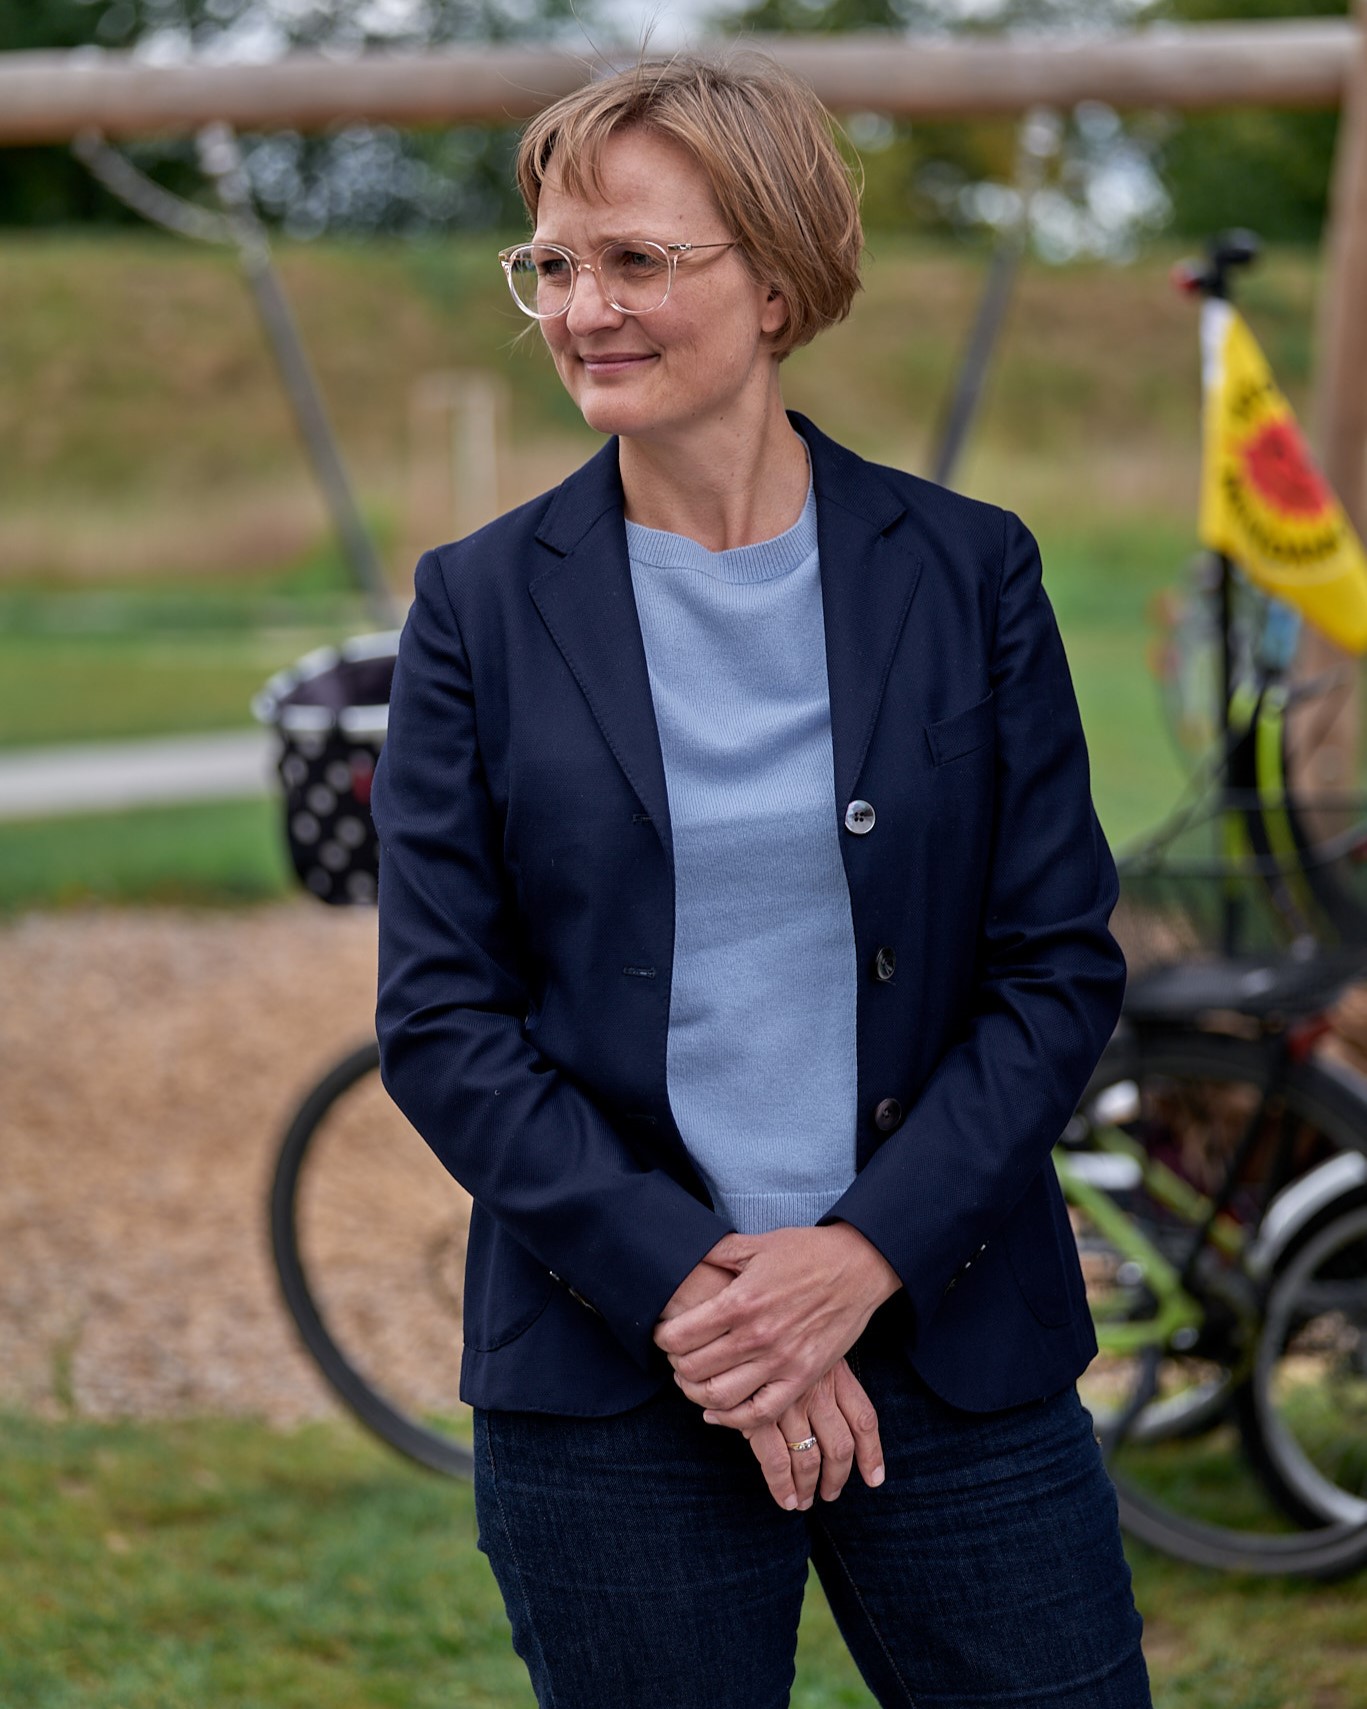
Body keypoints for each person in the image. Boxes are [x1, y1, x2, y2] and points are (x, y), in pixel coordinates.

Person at [372, 53, 1151, 1709]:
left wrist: (857, 1256)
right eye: (553, 264)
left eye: (636, 259)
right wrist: (701, 1290)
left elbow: (1056, 968)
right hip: (616, 1357)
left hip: (951, 1334)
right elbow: (443, 1019)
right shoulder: (476, 609)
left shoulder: (969, 570)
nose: (582, 307)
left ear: (780, 282)